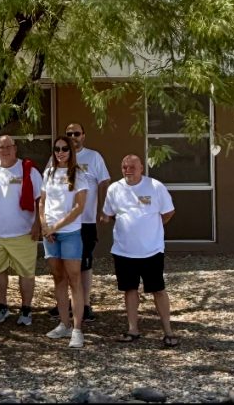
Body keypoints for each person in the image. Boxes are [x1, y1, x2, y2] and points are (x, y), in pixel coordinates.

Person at [101, 154, 179, 347]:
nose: (128, 170)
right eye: (124, 167)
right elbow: (109, 214)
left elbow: (168, 212)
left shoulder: (155, 186)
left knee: (158, 289)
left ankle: (168, 331)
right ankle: (133, 329)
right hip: (124, 251)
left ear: (141, 168)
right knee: (129, 289)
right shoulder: (114, 189)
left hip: (151, 250)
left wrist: (151, 227)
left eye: (132, 167)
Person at [0, 135, 42, 327]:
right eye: (2, 147)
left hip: (23, 233)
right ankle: (2, 306)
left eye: (9, 146)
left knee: (26, 274)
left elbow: (39, 200)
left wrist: (38, 224)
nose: (6, 150)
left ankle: (26, 309)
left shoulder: (28, 170)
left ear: (15, 148)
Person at [40, 134, 89, 348]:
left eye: (64, 149)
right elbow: (42, 202)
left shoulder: (79, 175)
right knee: (58, 278)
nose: (60, 152)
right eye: (57, 149)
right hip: (50, 235)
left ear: (71, 151)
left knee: (74, 279)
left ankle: (77, 329)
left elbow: (79, 207)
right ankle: (64, 323)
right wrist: (44, 226)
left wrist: (55, 226)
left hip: (69, 233)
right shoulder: (48, 173)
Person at [65, 122, 111, 322]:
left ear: (83, 136)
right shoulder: (58, 157)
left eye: (76, 133)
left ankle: (85, 304)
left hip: (85, 221)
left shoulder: (94, 157)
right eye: (69, 134)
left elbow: (104, 182)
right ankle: (68, 302)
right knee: (66, 263)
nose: (73, 136)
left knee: (84, 264)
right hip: (64, 222)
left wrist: (103, 209)